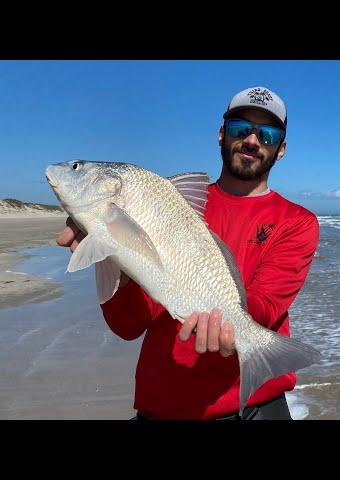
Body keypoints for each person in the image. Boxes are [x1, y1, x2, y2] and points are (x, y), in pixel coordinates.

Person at [56, 86, 320, 420]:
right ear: (222, 134)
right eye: (241, 129)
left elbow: (266, 307)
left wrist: (219, 315)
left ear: (280, 149)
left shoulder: (298, 222)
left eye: (267, 134)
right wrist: (111, 257)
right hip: (164, 403)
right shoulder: (169, 204)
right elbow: (129, 326)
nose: (252, 141)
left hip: (254, 405)